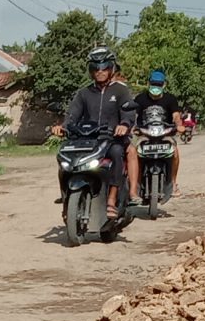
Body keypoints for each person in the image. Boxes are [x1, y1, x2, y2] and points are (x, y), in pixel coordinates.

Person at [61, 46, 135, 225]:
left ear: (111, 68)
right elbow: (72, 114)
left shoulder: (120, 90)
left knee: (118, 153)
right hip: (88, 140)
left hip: (112, 139)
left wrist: (124, 125)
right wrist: (62, 126)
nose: (100, 72)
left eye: (104, 67)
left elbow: (128, 112)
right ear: (90, 71)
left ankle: (112, 198)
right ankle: (65, 198)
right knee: (64, 158)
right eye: (95, 68)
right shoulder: (84, 93)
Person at [128, 66, 182, 208]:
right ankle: (135, 186)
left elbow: (176, 115)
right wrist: (131, 126)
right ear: (148, 83)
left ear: (164, 85)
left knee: (175, 153)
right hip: (144, 134)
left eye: (158, 85)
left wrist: (179, 125)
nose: (155, 87)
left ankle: (173, 182)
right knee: (133, 152)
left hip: (164, 134)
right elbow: (133, 115)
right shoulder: (140, 98)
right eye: (153, 84)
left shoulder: (170, 99)